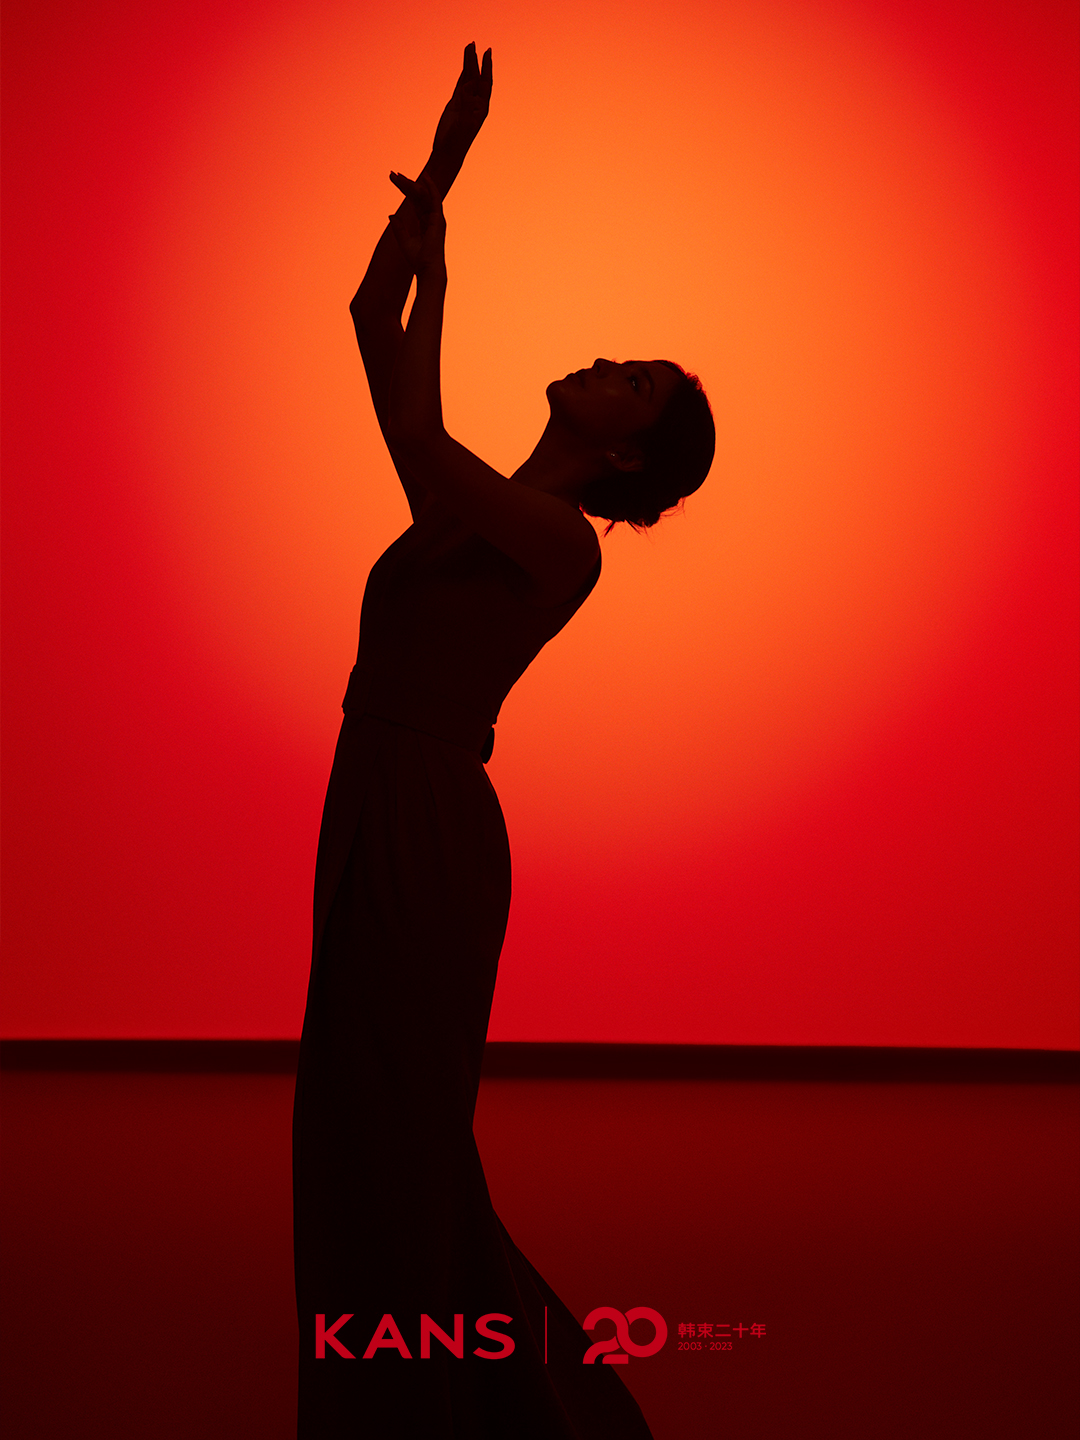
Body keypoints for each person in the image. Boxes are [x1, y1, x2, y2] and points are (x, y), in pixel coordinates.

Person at [292, 43, 714, 1439]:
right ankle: (404, 1394)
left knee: (396, 1128)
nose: (604, 363)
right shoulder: (473, 510)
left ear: (623, 457)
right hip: (376, 799)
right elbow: (372, 320)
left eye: (629, 382)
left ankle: (461, 1404)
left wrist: (451, 209)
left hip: (428, 823)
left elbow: (412, 423)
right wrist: (441, 181)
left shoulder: (554, 543)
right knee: (356, 1116)